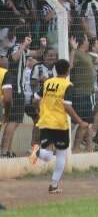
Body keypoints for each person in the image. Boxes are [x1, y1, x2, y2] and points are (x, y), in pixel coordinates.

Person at [29, 59, 89, 193]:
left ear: (56, 70)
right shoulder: (68, 85)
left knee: (48, 155)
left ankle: (54, 186)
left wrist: (39, 111)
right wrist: (80, 122)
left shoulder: (48, 83)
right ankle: (52, 181)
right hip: (60, 124)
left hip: (45, 122)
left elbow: (35, 100)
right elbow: (67, 106)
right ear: (68, 70)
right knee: (60, 155)